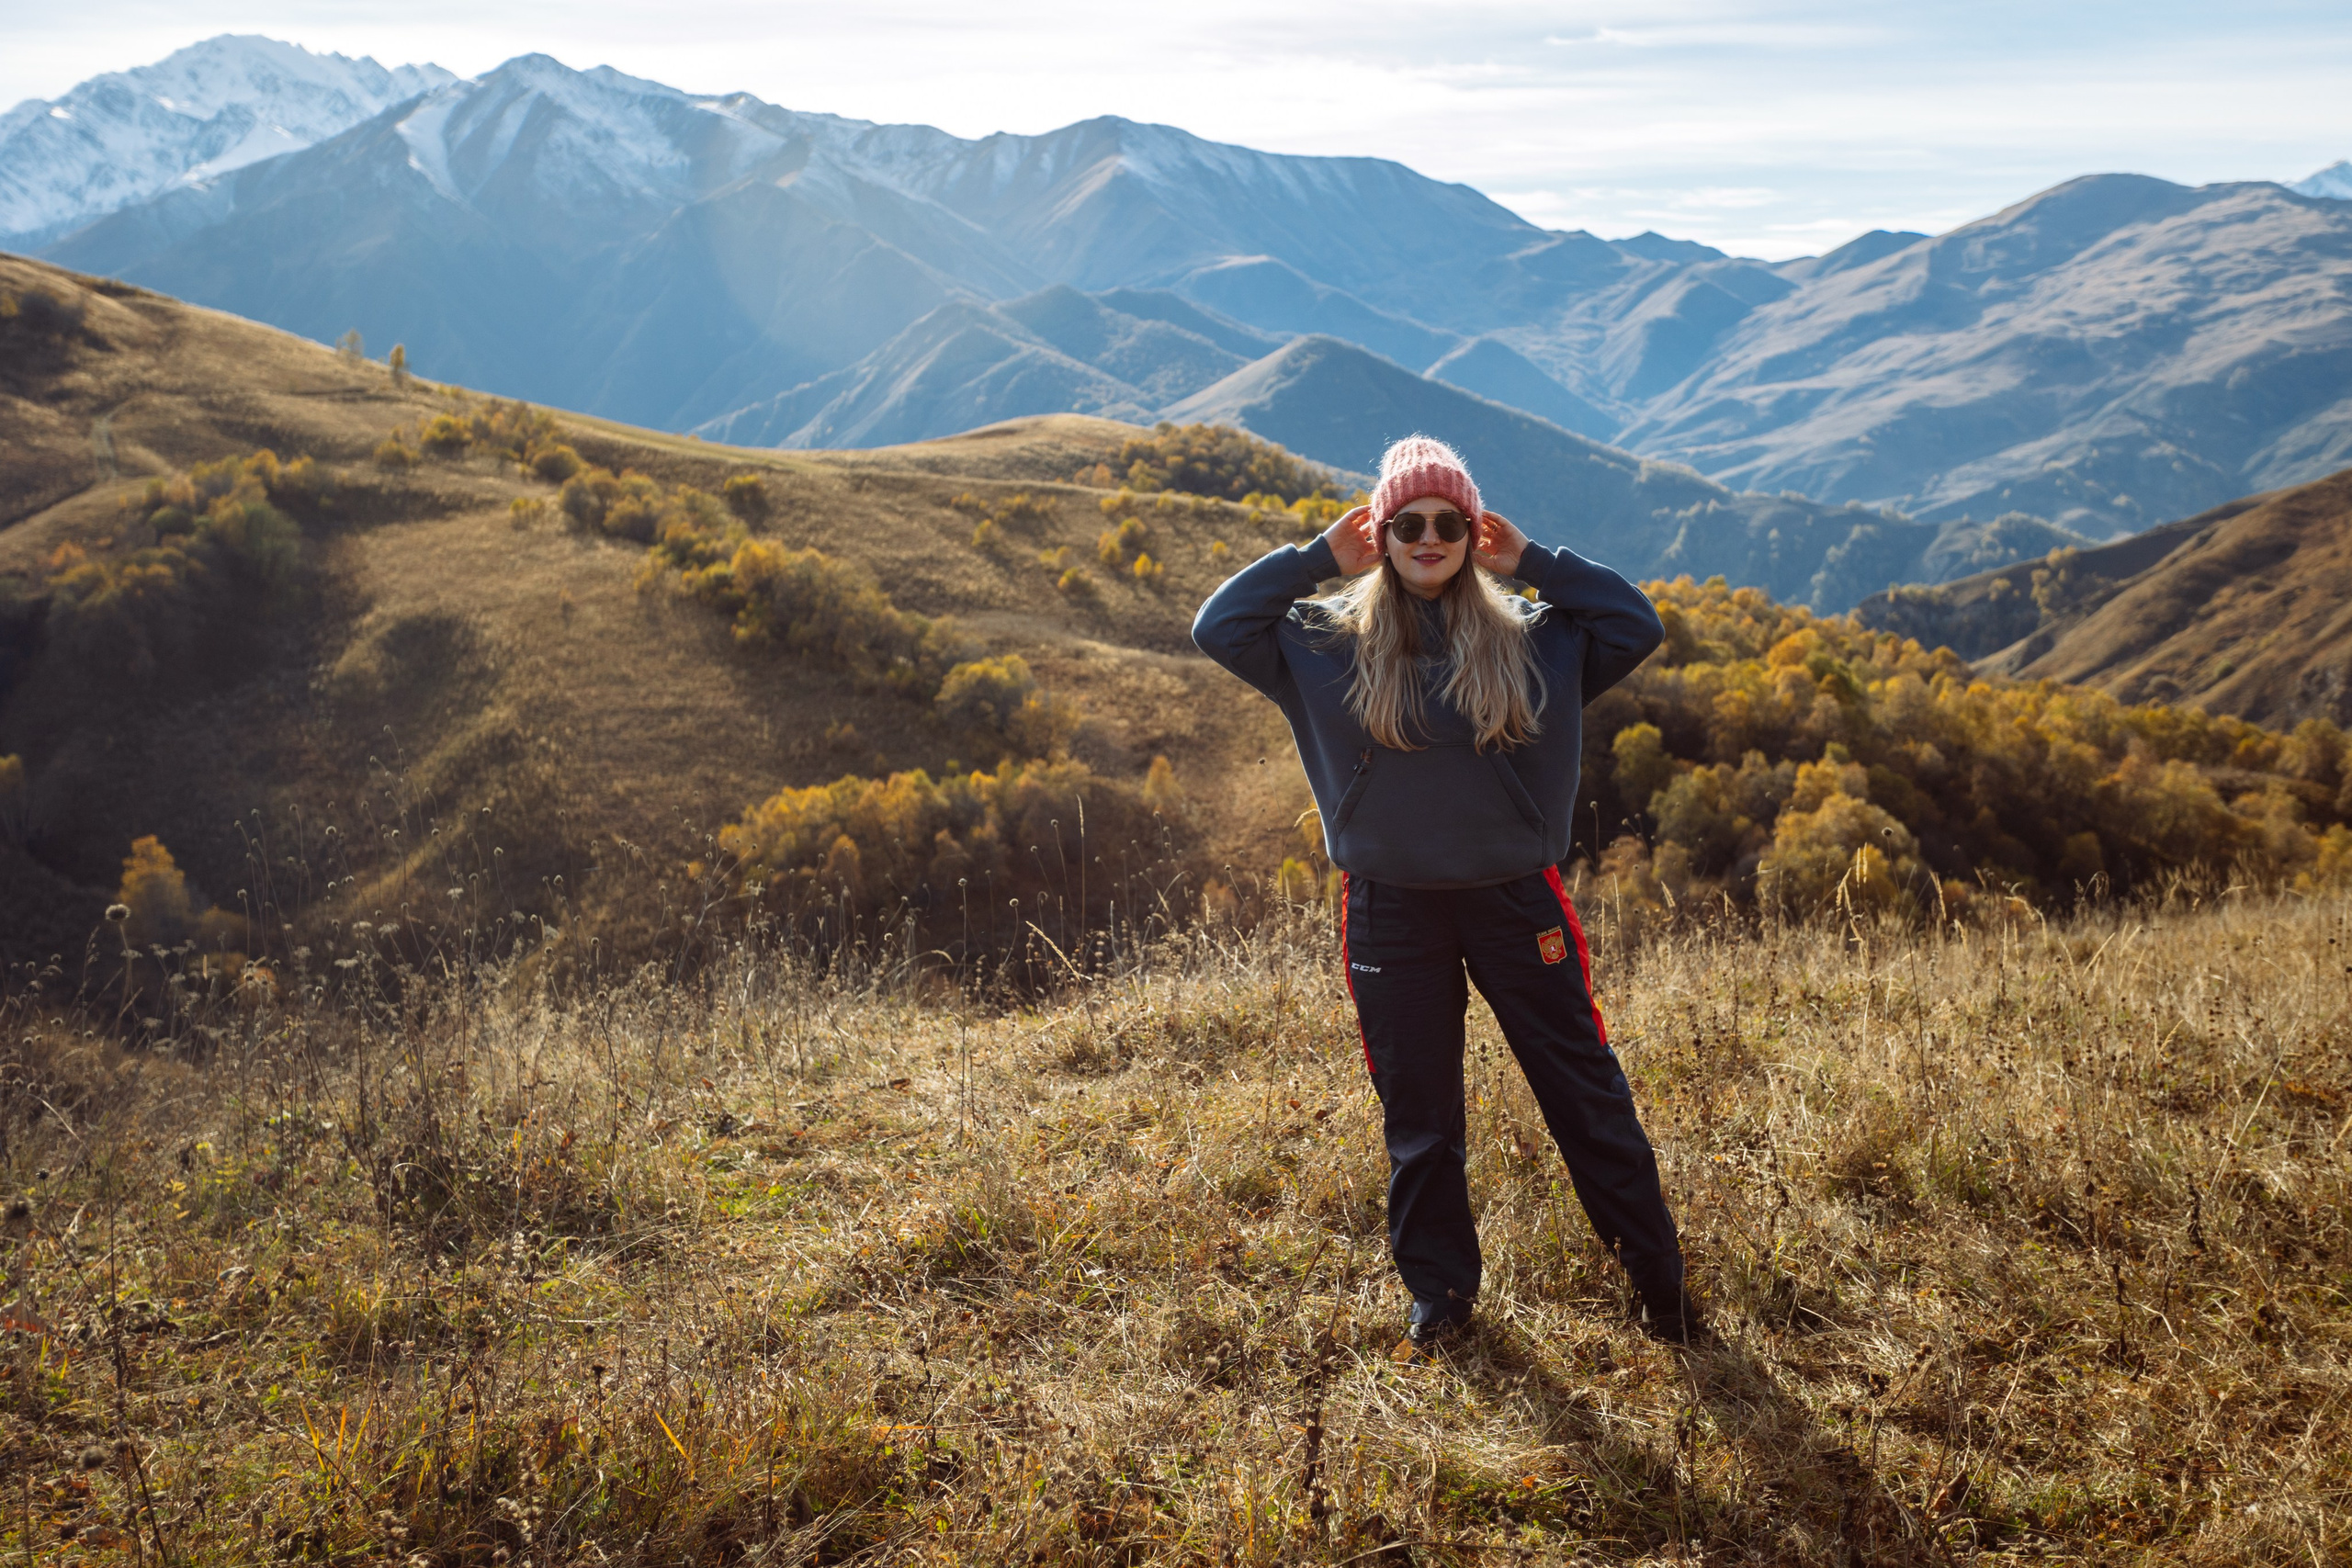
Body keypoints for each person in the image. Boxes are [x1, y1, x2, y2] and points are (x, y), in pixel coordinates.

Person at [1191, 434, 1696, 1350]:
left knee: (1582, 1094)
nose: (1429, 537)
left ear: (1474, 530)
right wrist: (1314, 561)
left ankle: (1658, 1286)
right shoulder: (1322, 649)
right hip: (1390, 906)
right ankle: (1442, 1299)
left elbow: (1637, 624)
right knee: (1419, 1114)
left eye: (1449, 522)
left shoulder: (1541, 643)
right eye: (1408, 522)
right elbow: (1217, 627)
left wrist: (1533, 561)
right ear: (1381, 532)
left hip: (1516, 901)